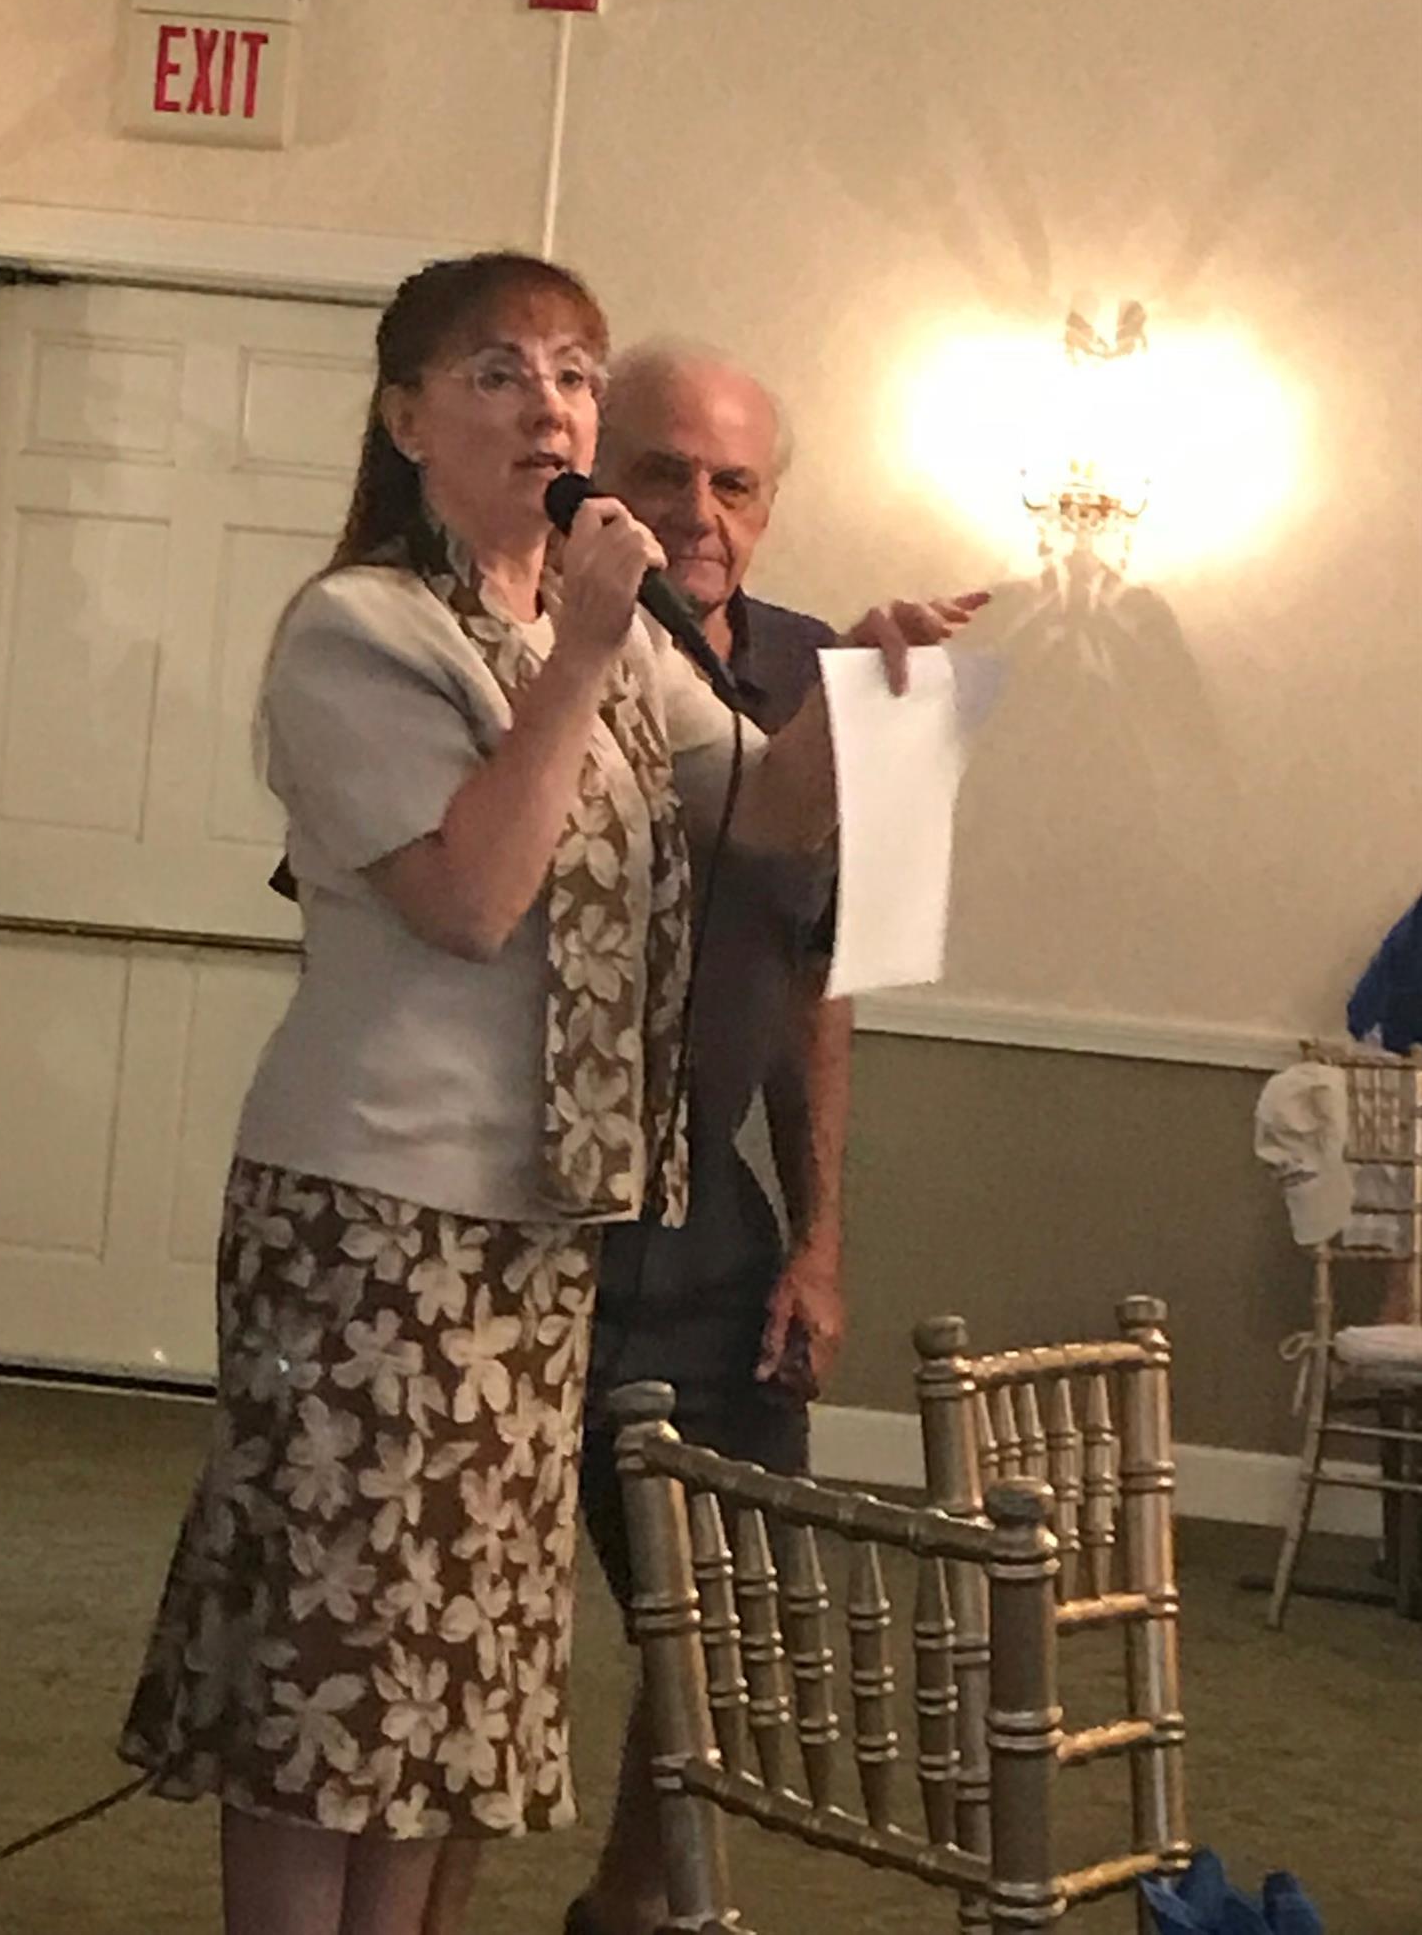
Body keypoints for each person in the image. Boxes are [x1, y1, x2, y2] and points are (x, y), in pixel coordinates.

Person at [117, 253, 956, 1935]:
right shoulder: (363, 629)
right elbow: (467, 902)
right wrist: (575, 658)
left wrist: (868, 691)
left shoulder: (608, 636)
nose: (549, 406)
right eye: (498, 372)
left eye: (572, 372)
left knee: (456, 1672)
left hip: (538, 1226)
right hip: (373, 1218)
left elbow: (766, 819)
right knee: (338, 1660)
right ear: (406, 418)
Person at [564, 344, 983, 1935]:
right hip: (516, 1204)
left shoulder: (840, 676)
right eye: (659, 471)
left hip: (704, 1217)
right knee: (465, 1623)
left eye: (732, 481)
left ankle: (630, 1909)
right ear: (592, 475)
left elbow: (829, 982)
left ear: (771, 503)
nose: (698, 509)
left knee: (724, 1613)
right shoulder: (535, 642)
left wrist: (815, 1241)